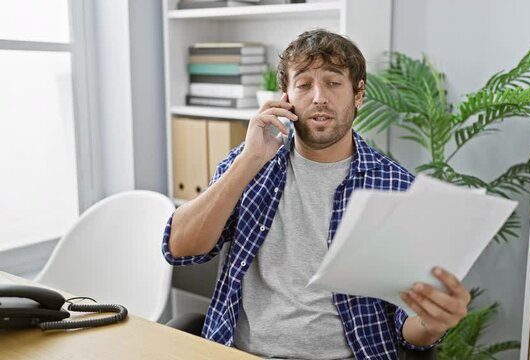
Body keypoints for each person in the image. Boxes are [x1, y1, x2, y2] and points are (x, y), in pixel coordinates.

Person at [162, 29, 470, 359]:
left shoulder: (397, 188)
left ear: (359, 94)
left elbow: (407, 329)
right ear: (285, 97)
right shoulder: (249, 164)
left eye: (334, 82)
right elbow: (179, 248)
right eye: (304, 84)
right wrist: (247, 162)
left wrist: (431, 323)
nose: (319, 96)